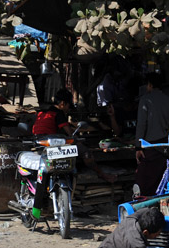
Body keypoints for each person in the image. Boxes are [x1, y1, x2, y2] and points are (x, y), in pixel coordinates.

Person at [30, 89, 116, 219]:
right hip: (50, 145)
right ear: (63, 103)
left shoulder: (43, 112)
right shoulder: (58, 113)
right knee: (85, 153)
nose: (69, 109)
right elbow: (69, 133)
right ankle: (102, 174)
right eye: (68, 105)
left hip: (38, 144)